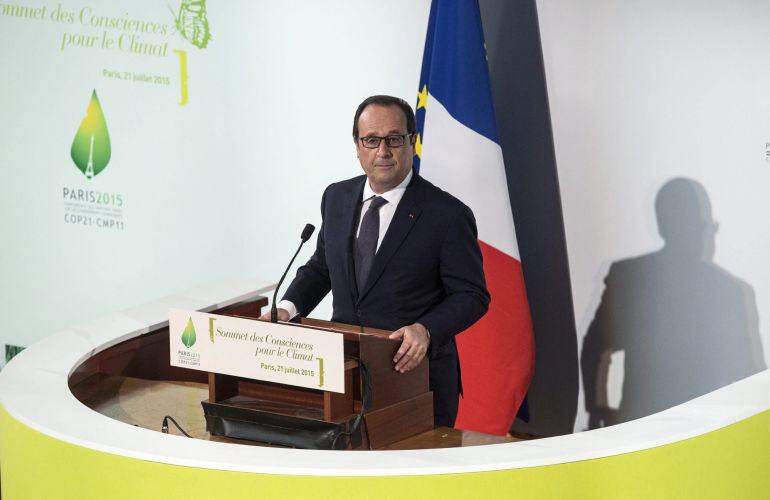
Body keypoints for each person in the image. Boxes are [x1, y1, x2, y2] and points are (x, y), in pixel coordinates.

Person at [263, 95, 490, 426]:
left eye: (394, 139)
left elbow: (472, 296)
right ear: (357, 146)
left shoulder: (448, 215)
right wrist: (287, 307)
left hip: (413, 377)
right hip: (342, 373)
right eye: (371, 140)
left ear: (412, 142)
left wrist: (425, 329)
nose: (383, 151)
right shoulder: (336, 197)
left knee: (415, 478)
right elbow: (322, 268)